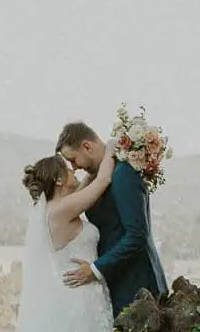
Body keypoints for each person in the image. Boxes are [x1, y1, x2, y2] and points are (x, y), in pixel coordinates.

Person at [53, 120, 168, 314]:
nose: (74, 167)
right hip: (117, 283)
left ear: (86, 146)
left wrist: (95, 269)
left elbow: (137, 235)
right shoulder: (100, 177)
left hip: (137, 285)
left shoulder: (123, 173)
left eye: (73, 159)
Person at [15, 152, 115, 332]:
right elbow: (103, 181)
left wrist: (89, 172)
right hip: (79, 299)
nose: (75, 170)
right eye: (69, 170)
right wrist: (113, 146)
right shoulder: (60, 210)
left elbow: (85, 185)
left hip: (84, 293)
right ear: (59, 180)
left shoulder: (55, 208)